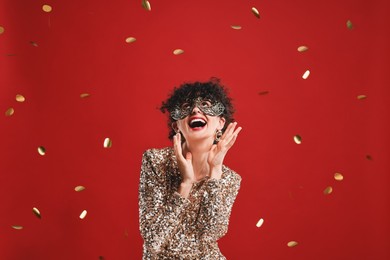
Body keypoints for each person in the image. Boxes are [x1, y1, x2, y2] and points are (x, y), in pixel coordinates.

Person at [138, 78, 242, 259]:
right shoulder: (155, 161)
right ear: (176, 125)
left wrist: (215, 170)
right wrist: (186, 184)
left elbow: (210, 233)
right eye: (187, 106)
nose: (195, 110)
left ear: (220, 123)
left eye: (206, 105)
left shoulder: (230, 178)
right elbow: (153, 241)